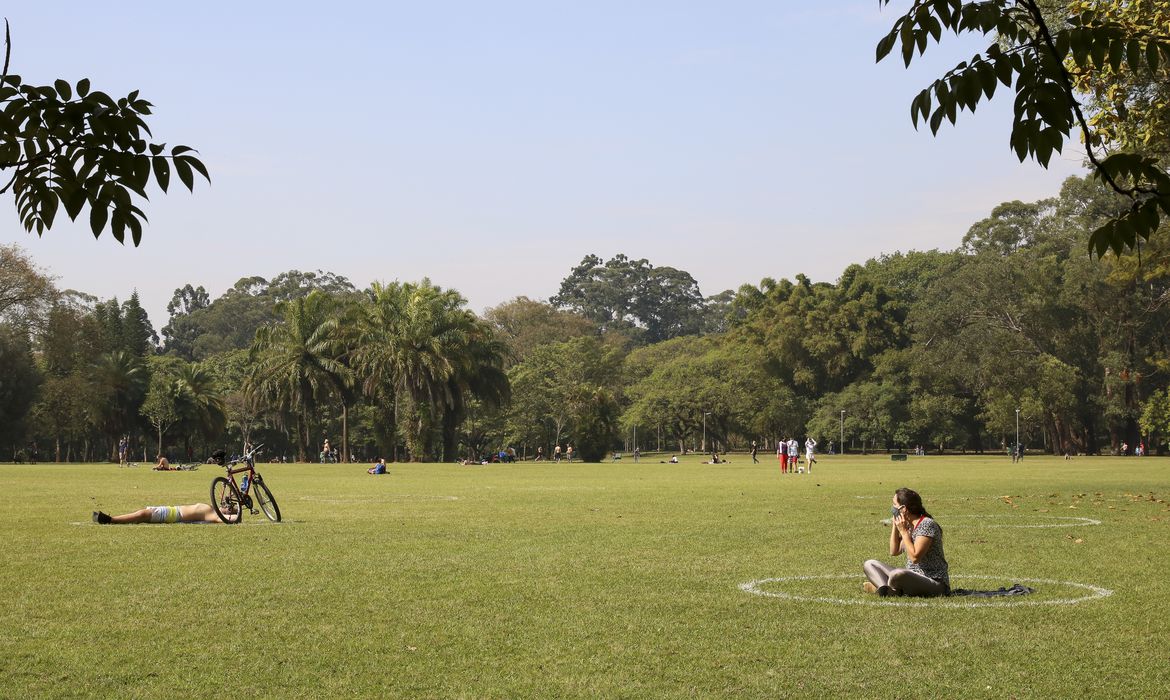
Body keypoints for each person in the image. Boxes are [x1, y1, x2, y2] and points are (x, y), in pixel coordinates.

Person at [863, 488, 950, 597]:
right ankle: (886, 589)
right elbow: (894, 551)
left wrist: (904, 532)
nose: (892, 508)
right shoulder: (908, 525)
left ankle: (884, 587)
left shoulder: (927, 524)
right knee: (870, 564)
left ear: (903, 508)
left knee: (898, 574)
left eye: (894, 504)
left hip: (934, 582)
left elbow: (915, 558)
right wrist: (895, 526)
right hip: (911, 577)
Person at [93, 503, 225, 525]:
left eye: (228, 508)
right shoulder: (211, 507)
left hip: (172, 515)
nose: (225, 507)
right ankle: (111, 520)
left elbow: (229, 519)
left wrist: (236, 515)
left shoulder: (213, 515)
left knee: (142, 515)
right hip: (170, 509)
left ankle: (111, 520)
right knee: (142, 514)